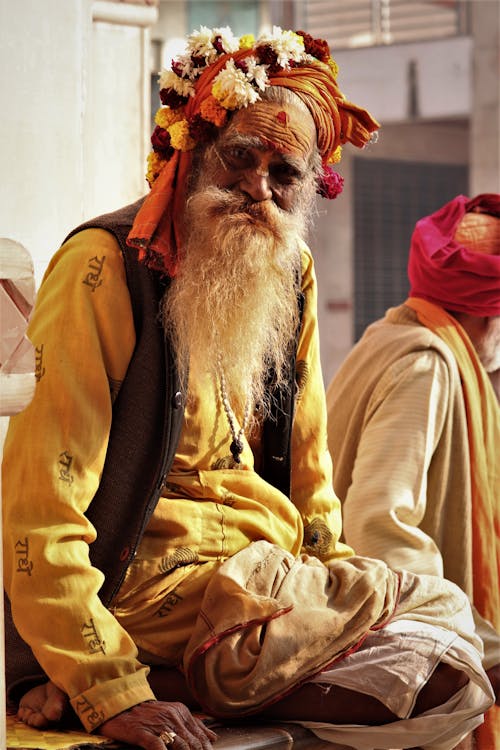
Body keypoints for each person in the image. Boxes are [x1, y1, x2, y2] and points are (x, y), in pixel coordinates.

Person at [2, 27, 494, 750]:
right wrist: (109, 687)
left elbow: (310, 472)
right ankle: (160, 678)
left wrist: (344, 588)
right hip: (153, 595)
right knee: (442, 676)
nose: (257, 188)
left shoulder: (288, 273)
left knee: (455, 636)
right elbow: (41, 506)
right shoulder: (105, 269)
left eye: (283, 173)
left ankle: (204, 680)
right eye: (240, 157)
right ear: (197, 151)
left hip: (272, 584)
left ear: (306, 189)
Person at [326, 193, 500, 749]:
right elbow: (380, 525)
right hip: (397, 655)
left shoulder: (385, 335)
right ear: (487, 310)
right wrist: (471, 649)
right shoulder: (425, 364)